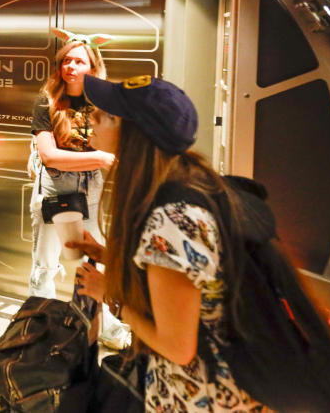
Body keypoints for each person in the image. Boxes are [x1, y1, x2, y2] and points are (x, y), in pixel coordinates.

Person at [69, 74, 269, 412]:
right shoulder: (186, 185)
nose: (92, 118)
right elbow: (178, 277)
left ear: (135, 136)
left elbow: (178, 347)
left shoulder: (171, 221)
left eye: (107, 115)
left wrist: (110, 297)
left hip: (200, 397)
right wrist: (107, 255)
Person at [27, 29, 116, 298]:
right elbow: (50, 156)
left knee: (93, 262)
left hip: (90, 189)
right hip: (53, 187)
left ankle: (101, 328)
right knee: (45, 265)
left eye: (79, 61)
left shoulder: (105, 102)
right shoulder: (47, 101)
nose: (70, 67)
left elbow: (117, 147)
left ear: (93, 67)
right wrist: (99, 158)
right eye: (66, 60)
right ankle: (39, 321)